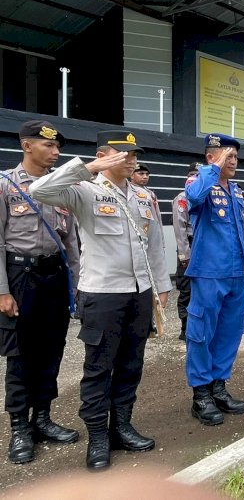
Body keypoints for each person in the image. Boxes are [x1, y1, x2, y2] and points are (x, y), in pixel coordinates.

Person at [30, 130, 171, 471]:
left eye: (135, 153)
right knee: (98, 368)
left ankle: (121, 427)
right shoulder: (85, 191)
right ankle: (98, 438)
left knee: (130, 364)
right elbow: (39, 190)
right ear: (106, 154)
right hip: (103, 295)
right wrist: (89, 166)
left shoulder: (141, 196)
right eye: (125, 154)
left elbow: (152, 245)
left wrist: (161, 285)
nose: (133, 159)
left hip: (138, 294)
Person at [0, 121, 80, 465]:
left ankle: (43, 418)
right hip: (20, 276)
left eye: (58, 147)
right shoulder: (5, 185)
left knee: (51, 350)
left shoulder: (61, 188)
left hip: (55, 277)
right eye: (48, 146)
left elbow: (71, 243)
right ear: (26, 146)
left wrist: (76, 288)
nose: (56, 152)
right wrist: (2, 291)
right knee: (21, 355)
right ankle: (20, 428)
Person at [185, 133, 244, 426]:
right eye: (228, 156)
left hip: (236, 273)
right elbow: (194, 198)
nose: (234, 162)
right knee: (201, 333)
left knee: (229, 332)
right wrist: (212, 169)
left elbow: (240, 231)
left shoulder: (236, 190)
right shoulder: (199, 182)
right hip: (209, 272)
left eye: (236, 157)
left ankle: (218, 386)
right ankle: (201, 394)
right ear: (211, 157)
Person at [172, 162, 200, 341]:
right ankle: (185, 327)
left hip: (202, 245)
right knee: (187, 289)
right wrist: (185, 255)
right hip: (189, 245)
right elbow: (180, 229)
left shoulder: (205, 196)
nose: (196, 178)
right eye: (193, 174)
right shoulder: (182, 198)